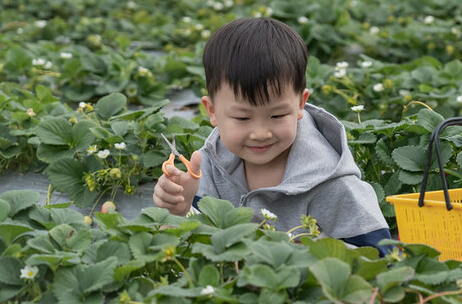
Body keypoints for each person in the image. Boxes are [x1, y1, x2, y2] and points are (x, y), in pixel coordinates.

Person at [153, 17, 391, 254]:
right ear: (212, 111)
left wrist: (301, 251)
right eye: (242, 118)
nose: (260, 133)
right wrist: (180, 210)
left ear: (300, 104)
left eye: (277, 116)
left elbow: (381, 255)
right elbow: (193, 242)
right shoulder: (210, 163)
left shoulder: (332, 183)